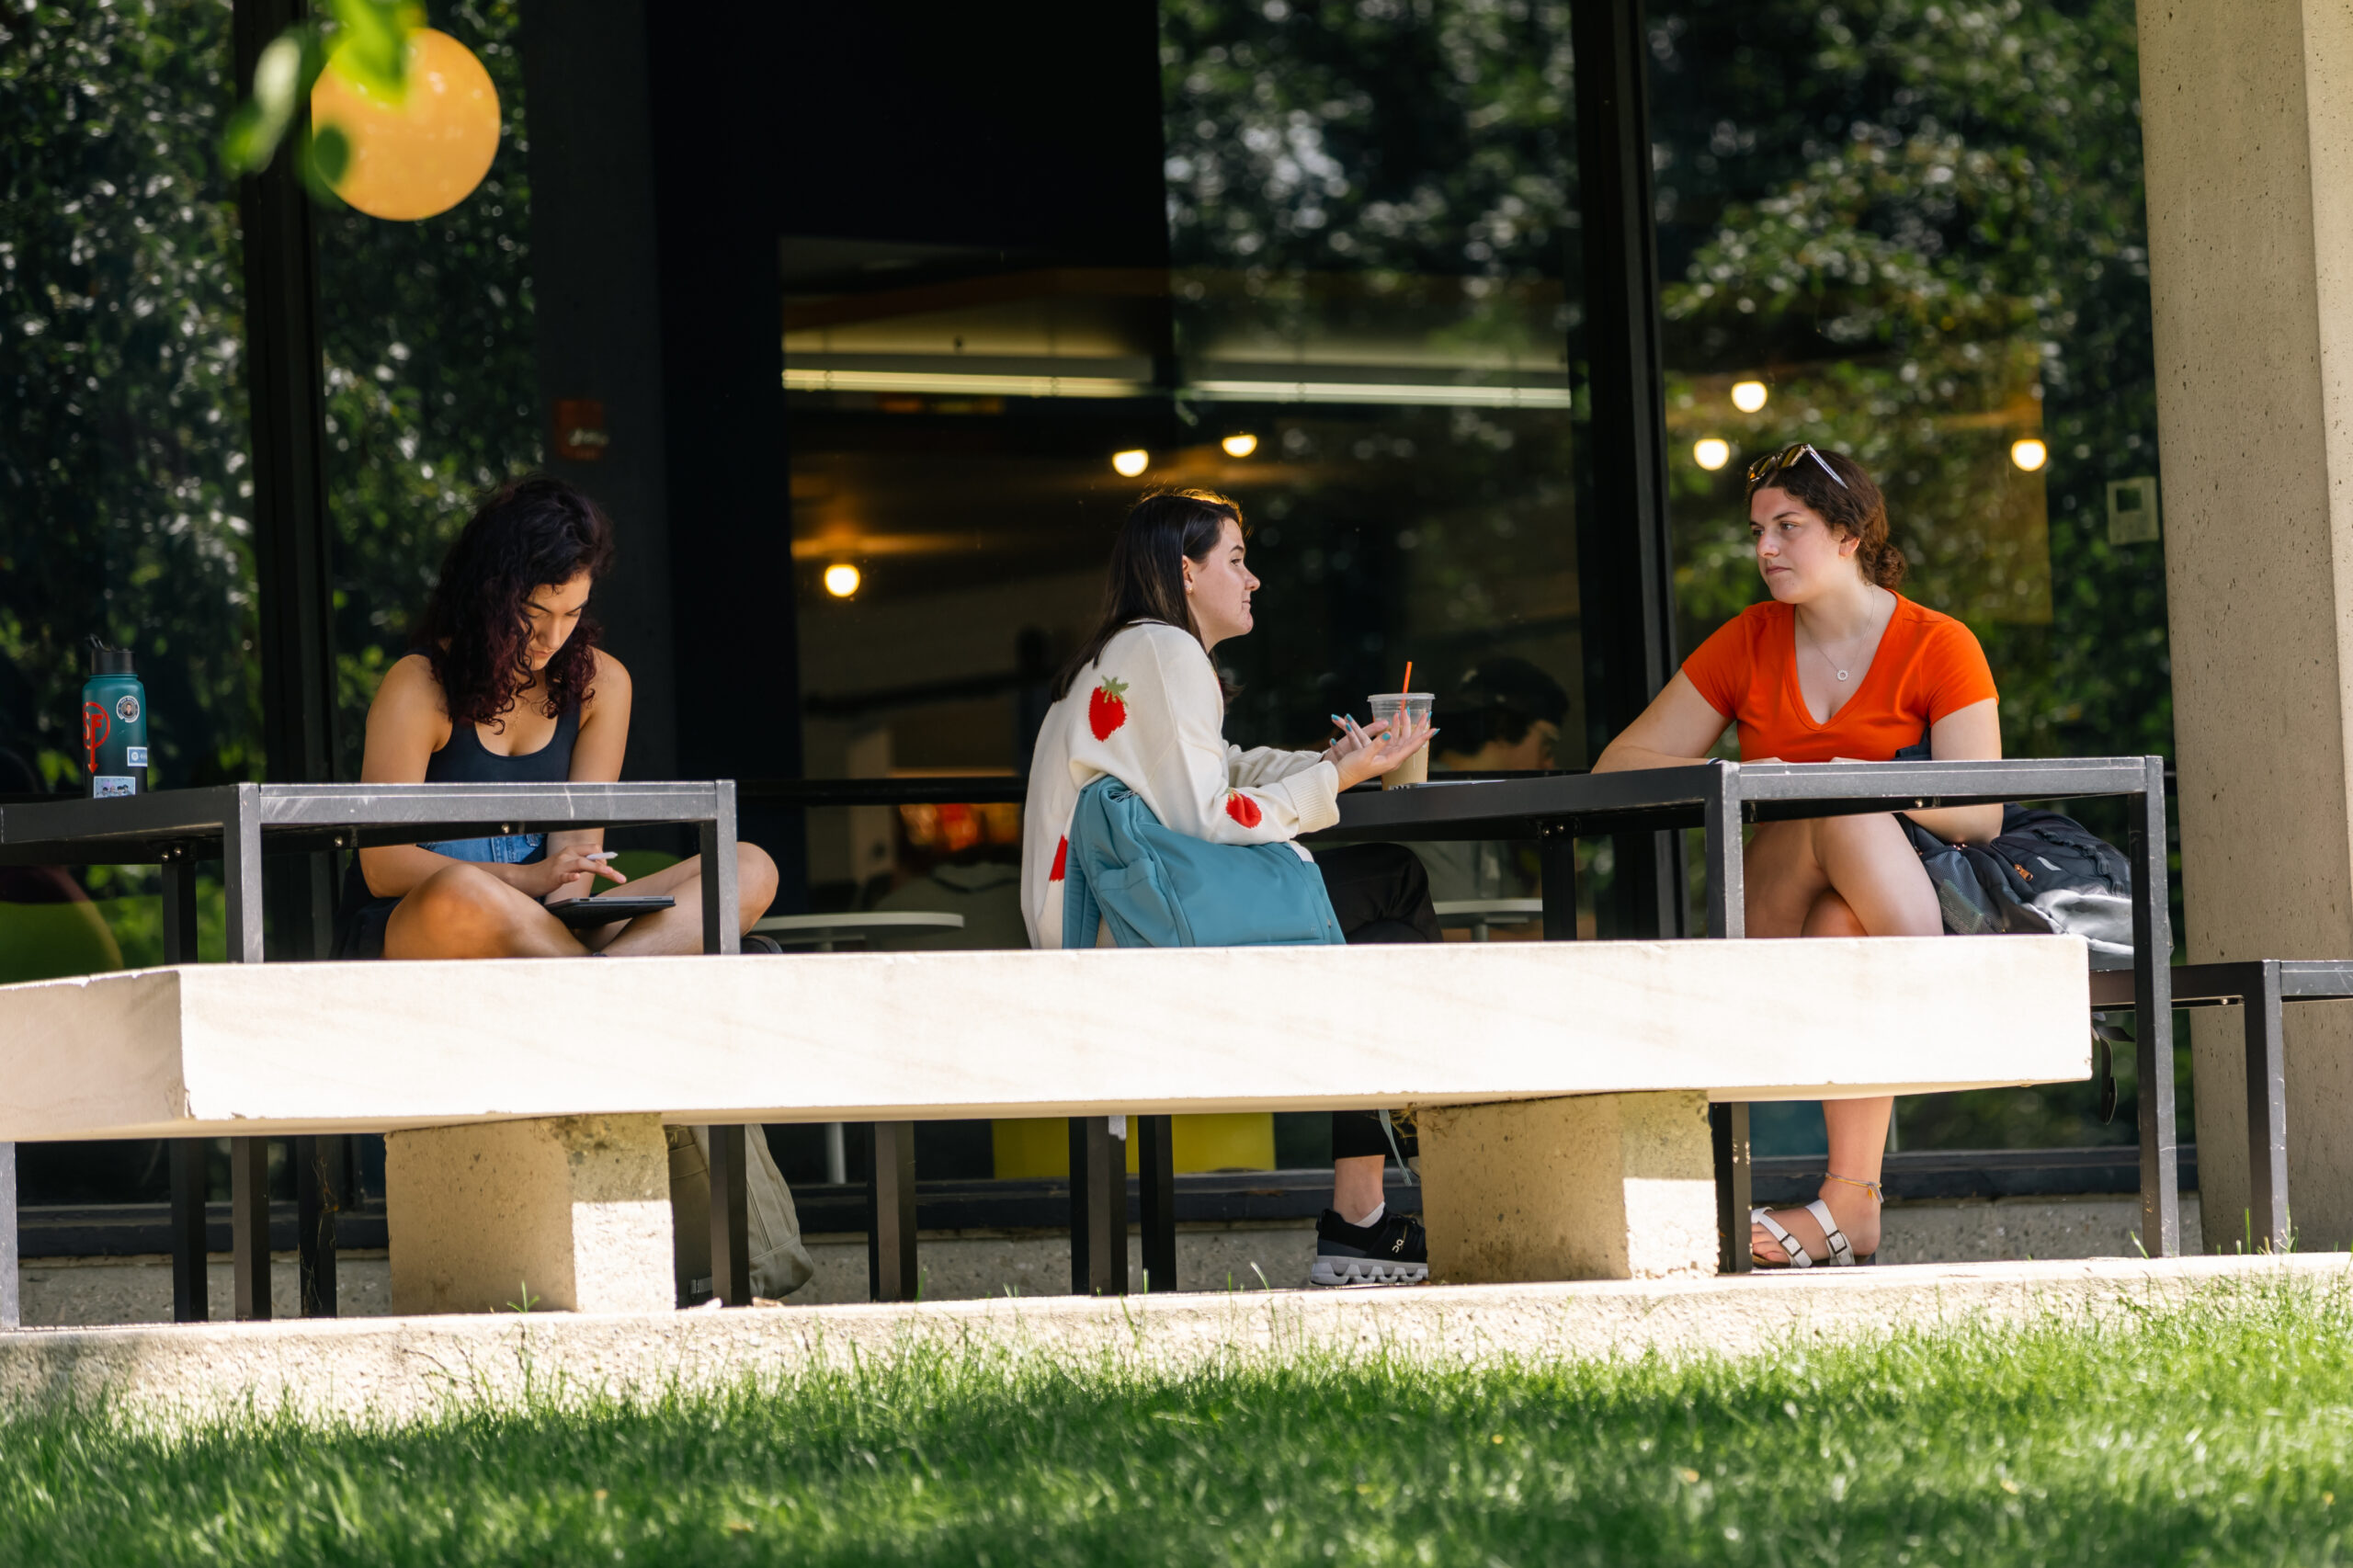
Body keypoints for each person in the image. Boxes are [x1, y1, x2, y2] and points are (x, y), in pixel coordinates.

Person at [342, 474, 810, 1300]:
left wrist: (568, 887)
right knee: (468, 893)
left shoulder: (599, 683)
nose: (552, 637)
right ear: (490, 593)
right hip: (423, 925)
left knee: (749, 866)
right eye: (534, 615)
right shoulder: (420, 684)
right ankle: (621, 1000)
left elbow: (577, 856)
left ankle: (603, 996)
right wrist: (526, 878)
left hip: (550, 932)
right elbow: (384, 862)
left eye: (572, 613)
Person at [1021, 488, 1442, 1287]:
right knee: (1395, 879)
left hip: (1106, 923)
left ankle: (1361, 1222)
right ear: (1187, 571)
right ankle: (1382, 1194)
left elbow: (1210, 771)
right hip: (1133, 932)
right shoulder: (1166, 650)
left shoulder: (1126, 651)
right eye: (1238, 559)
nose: (1252, 580)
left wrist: (1334, 762)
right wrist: (1336, 778)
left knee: (1384, 949)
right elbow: (1209, 818)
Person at [1593, 444, 2001, 1267]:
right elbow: (1617, 769)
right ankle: (1931, 993)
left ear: (1849, 536)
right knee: (1834, 810)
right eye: (1758, 532)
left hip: (1864, 912)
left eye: (1788, 527)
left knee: (1843, 917)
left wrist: (1858, 778)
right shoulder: (1749, 639)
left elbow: (1980, 812)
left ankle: (1850, 1207)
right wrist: (1758, 774)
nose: (1766, 549)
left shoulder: (1937, 642)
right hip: (1768, 918)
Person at [1417, 658, 1571, 927]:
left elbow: (1519, 924)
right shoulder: (1428, 801)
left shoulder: (1484, 801)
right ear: (1503, 728)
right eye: (1546, 744)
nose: (1549, 763)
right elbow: (1446, 937)